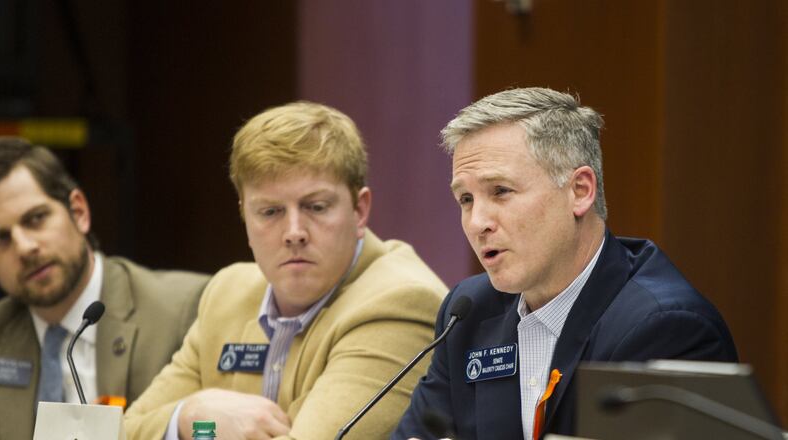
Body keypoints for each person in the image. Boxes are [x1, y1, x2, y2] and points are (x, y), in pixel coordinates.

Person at [393, 87, 738, 440]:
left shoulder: (667, 329)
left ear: (580, 191)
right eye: (465, 199)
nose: (478, 221)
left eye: (500, 191)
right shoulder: (467, 315)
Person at [123, 101, 448, 440]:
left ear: (360, 209)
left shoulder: (400, 302)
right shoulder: (226, 293)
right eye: (270, 211)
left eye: (316, 207)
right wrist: (190, 415)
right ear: (244, 216)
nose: (294, 232)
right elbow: (122, 431)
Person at [0, 138, 210, 440]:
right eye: (1, 238)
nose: (25, 247)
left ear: (79, 211)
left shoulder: (186, 310)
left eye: (36, 219)